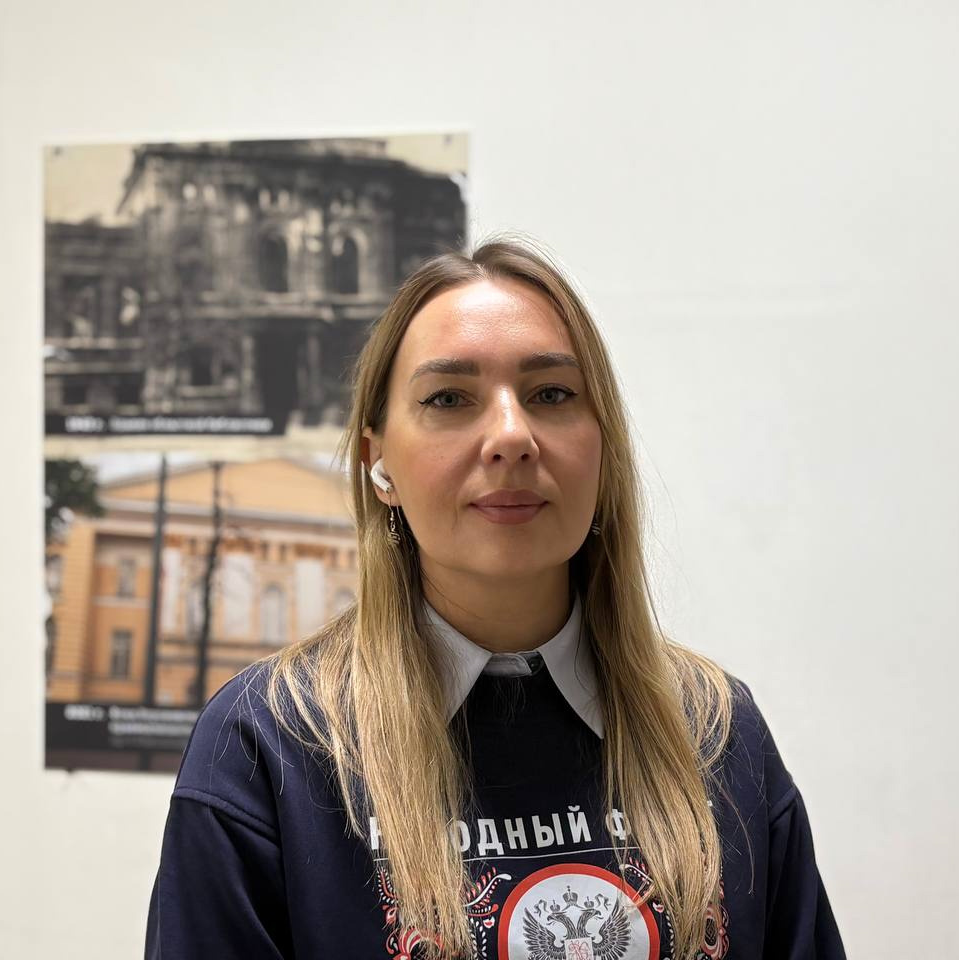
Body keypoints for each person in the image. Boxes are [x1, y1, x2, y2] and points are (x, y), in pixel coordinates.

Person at [144, 237, 847, 959]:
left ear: (602, 448)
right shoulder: (271, 745)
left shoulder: (716, 731)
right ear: (378, 462)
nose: (511, 436)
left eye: (552, 394)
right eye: (449, 398)